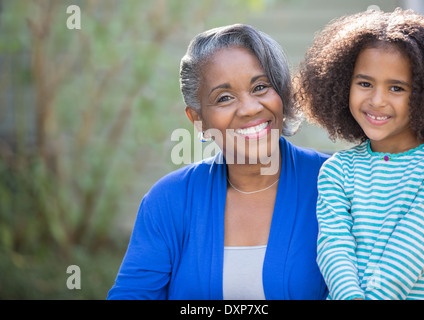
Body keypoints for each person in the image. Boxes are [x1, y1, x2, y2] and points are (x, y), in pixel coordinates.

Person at [107, 24, 329, 300]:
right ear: (198, 119)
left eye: (260, 87)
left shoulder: (336, 182)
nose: (249, 108)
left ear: (282, 94)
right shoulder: (168, 201)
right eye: (224, 98)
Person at [295, 8, 424, 300]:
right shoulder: (338, 169)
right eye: (365, 83)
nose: (377, 100)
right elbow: (334, 248)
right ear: (343, 85)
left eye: (397, 88)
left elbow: (409, 252)